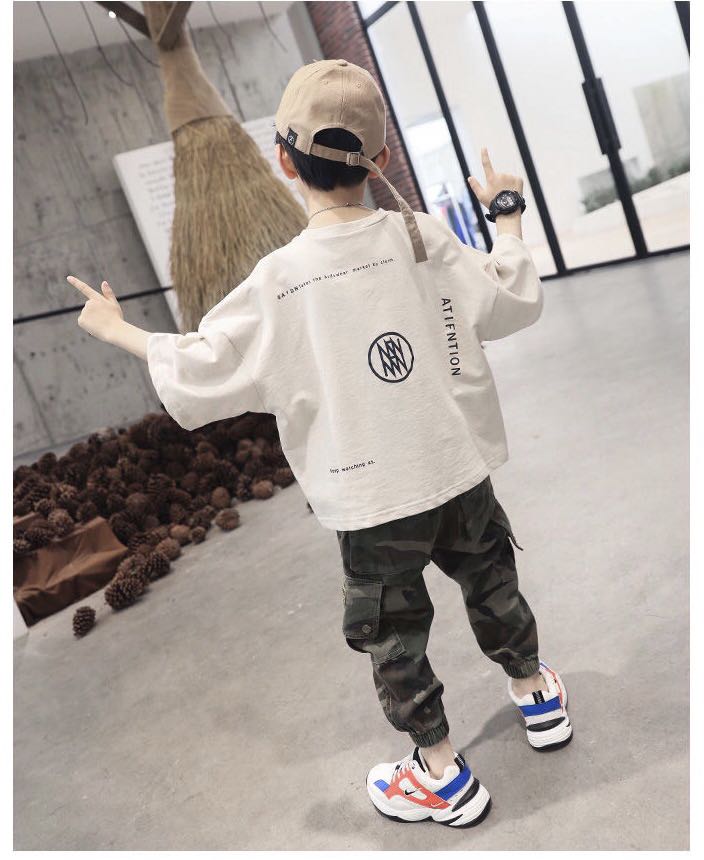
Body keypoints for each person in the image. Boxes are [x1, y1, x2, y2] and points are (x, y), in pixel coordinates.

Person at [67, 59, 571, 829]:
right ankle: (537, 694)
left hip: (370, 497)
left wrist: (118, 330)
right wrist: (505, 213)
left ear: (283, 159)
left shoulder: (280, 279)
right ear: (381, 159)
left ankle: (441, 774)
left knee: (393, 635)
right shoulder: (422, 237)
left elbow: (204, 364)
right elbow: (511, 298)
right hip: (457, 467)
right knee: (493, 582)